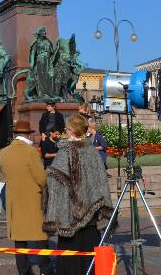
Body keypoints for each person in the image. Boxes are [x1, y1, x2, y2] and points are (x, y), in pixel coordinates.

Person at [44, 114, 113, 274]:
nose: (65, 132)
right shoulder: (92, 152)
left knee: (71, 264)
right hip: (92, 217)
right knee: (89, 262)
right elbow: (101, 183)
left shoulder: (66, 152)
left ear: (71, 131)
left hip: (70, 219)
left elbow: (54, 182)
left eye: (67, 129)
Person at [0, 120, 51, 275]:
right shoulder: (31, 152)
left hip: (14, 200)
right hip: (32, 199)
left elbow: (6, 175)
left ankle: (23, 270)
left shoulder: (4, 152)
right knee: (40, 237)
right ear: (28, 134)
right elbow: (41, 178)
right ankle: (45, 269)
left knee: (19, 238)